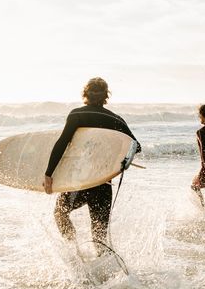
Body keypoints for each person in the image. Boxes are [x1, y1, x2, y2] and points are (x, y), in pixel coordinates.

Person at [43, 78, 140, 254]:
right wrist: (118, 164)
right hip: (103, 182)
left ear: (85, 94)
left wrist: (49, 173)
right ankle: (106, 273)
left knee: (60, 213)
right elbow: (136, 146)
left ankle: (75, 252)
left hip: (80, 180)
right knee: (99, 235)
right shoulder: (114, 119)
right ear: (105, 96)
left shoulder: (77, 115)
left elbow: (62, 143)